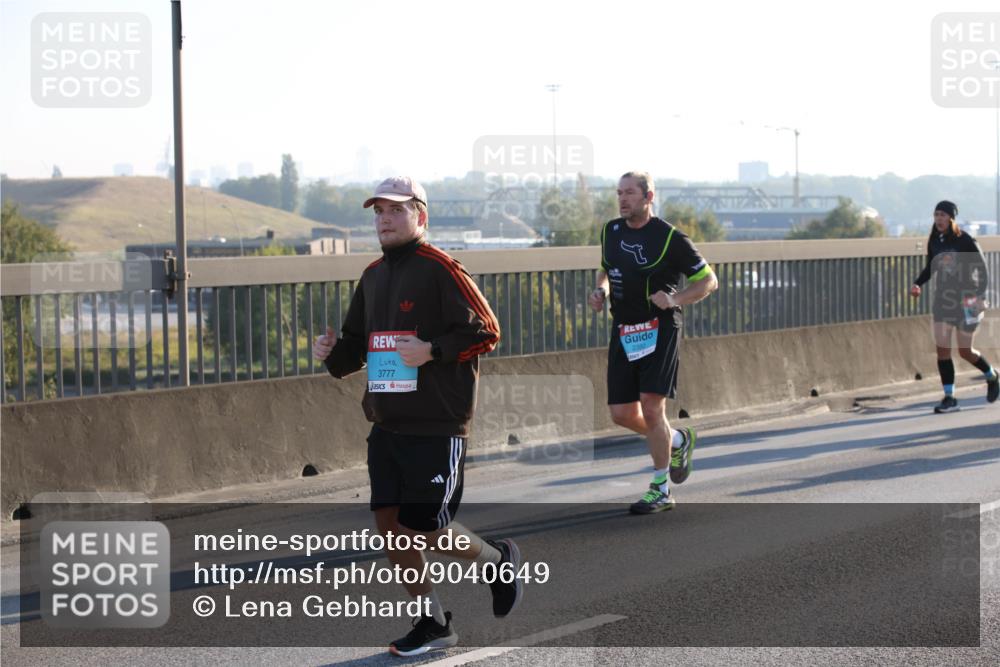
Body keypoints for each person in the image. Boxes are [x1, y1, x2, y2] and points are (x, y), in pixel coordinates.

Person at [312, 176, 521, 656]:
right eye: (379, 212)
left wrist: (432, 350)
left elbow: (487, 331)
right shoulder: (373, 275)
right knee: (390, 526)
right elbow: (353, 350)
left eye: (396, 211)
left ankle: (497, 562)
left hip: (436, 421)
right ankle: (433, 621)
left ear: (420, 217)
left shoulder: (441, 268)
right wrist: (329, 352)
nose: (385, 220)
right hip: (386, 421)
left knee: (426, 526)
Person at [588, 171, 718, 514]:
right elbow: (605, 268)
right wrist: (601, 289)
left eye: (629, 193)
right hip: (624, 329)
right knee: (620, 414)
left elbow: (708, 281)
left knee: (651, 406)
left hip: (660, 328)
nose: (622, 199)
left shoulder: (670, 237)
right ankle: (676, 440)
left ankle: (661, 488)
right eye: (619, 193)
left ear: (649, 197)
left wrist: (675, 300)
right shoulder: (610, 231)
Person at [909, 200, 998, 412]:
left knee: (965, 351)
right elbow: (931, 267)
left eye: (943, 215)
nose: (938, 218)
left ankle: (992, 376)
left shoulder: (965, 240)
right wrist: (917, 283)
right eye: (936, 214)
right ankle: (949, 397)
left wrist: (979, 297)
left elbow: (983, 271)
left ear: (951, 218)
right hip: (943, 300)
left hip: (967, 299)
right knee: (942, 350)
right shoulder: (934, 240)